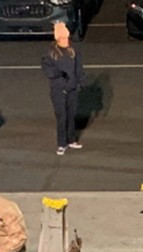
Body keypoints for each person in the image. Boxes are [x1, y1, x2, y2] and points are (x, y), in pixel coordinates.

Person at [41, 22, 85, 155]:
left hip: (72, 89)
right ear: (58, 39)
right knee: (62, 117)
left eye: (67, 38)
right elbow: (48, 71)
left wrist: (80, 82)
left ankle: (71, 139)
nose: (66, 40)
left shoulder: (73, 51)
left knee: (71, 116)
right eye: (63, 38)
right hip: (58, 91)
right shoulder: (50, 54)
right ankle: (61, 143)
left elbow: (79, 69)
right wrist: (59, 73)